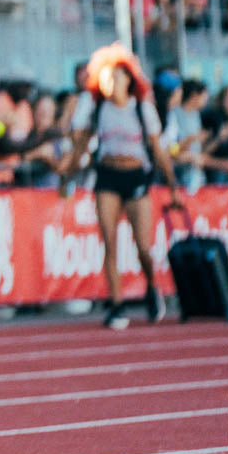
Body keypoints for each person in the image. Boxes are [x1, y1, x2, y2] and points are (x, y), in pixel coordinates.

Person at [64, 45, 182, 330]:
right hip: (107, 176)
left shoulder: (142, 109)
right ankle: (116, 304)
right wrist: (66, 177)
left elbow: (158, 148)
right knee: (110, 243)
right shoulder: (97, 108)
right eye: (108, 77)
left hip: (136, 177)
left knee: (143, 246)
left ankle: (151, 286)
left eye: (117, 76)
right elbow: (80, 143)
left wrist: (172, 185)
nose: (112, 82)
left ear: (129, 80)